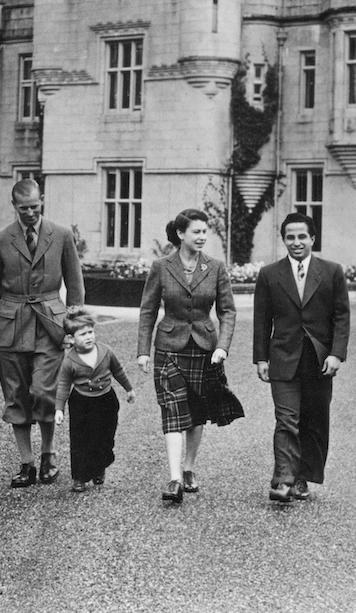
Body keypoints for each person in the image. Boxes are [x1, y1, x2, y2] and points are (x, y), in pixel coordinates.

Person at [0, 179, 84, 488]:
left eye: (35, 206)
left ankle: (48, 454)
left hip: (51, 324)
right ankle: (27, 463)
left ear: (41, 201)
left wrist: (76, 325)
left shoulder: (61, 235)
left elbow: (75, 286)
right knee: (15, 396)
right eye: (24, 208)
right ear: (14, 206)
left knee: (45, 392)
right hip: (10, 325)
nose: (30, 213)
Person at [137, 208, 242, 504]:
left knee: (196, 413)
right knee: (171, 409)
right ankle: (173, 479)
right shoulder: (161, 266)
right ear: (181, 234)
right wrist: (143, 350)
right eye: (196, 231)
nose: (202, 237)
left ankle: (188, 468)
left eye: (204, 232)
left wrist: (222, 345)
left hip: (204, 348)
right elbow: (147, 310)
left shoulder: (216, 267)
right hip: (169, 346)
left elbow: (228, 311)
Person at [253, 212, 350, 503]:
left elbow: (341, 317)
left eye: (302, 237)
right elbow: (262, 320)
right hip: (283, 357)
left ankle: (301, 478)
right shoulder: (270, 274)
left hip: (319, 360)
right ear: (283, 240)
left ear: (312, 239)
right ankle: (282, 480)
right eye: (290, 237)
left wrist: (336, 354)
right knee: (286, 420)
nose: (296, 242)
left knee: (313, 420)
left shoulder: (332, 271)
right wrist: (261, 358)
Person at [54, 307, 135, 493]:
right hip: (81, 403)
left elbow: (118, 371)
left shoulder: (106, 352)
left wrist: (129, 389)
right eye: (83, 334)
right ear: (72, 339)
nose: (89, 336)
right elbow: (63, 385)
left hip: (106, 400)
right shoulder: (70, 361)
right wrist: (59, 409)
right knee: (80, 440)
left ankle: (99, 467)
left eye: (91, 331)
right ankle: (79, 477)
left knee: (104, 437)